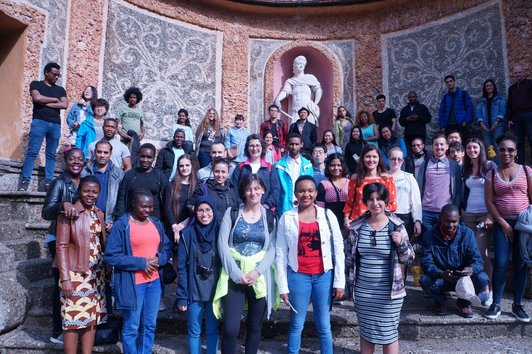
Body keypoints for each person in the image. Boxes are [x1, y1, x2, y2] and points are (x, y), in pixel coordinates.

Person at [276, 175, 345, 354]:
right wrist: (282, 286)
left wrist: (339, 282)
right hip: (298, 276)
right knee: (296, 324)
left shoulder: (327, 215)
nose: (306, 194)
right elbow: (281, 254)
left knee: (324, 325)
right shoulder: (287, 217)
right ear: (295, 194)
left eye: (310, 190)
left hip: (323, 276)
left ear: (315, 193)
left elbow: (338, 249)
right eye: (301, 191)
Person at [346, 182, 414, 354]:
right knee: (366, 333)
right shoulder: (357, 227)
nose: (375, 203)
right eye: (370, 199)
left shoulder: (397, 226)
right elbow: (349, 259)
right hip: (364, 292)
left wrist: (401, 243)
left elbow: (408, 258)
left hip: (389, 293)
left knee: (389, 334)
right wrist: (349, 287)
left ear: (386, 201)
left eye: (379, 199)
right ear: (365, 202)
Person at [215, 174, 278, 354]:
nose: (253, 192)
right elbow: (223, 245)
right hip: (235, 276)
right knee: (230, 328)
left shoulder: (270, 216)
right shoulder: (232, 213)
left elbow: (272, 248)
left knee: (255, 326)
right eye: (249, 188)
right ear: (243, 191)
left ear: (263, 190)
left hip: (259, 276)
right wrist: (236, 274)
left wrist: (257, 272)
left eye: (257, 188)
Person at [104, 190, 172, 353]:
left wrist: (160, 258)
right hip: (133, 283)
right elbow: (110, 256)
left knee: (150, 325)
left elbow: (167, 247)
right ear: (133, 204)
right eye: (143, 206)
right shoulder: (122, 224)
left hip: (154, 283)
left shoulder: (155, 223)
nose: (148, 210)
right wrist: (141, 263)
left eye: (150, 207)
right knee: (131, 326)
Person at [56, 176, 107, 354]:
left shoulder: (99, 213)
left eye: (94, 192)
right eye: (86, 191)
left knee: (92, 318)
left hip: (96, 275)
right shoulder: (69, 213)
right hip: (75, 273)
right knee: (72, 319)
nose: (90, 195)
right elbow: (61, 246)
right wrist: (66, 279)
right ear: (79, 191)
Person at [484, 133, 531, 322]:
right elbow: (489, 201)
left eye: (510, 149)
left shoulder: (526, 171)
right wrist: (503, 223)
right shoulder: (492, 173)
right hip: (501, 222)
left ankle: (517, 305)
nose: (506, 153)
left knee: (521, 264)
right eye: (502, 149)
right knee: (502, 263)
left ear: (516, 151)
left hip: (523, 224)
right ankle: (496, 303)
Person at [42, 147, 84, 344]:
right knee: (61, 283)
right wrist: (62, 205)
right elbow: (46, 211)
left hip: (76, 239)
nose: (76, 162)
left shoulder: (84, 181)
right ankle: (57, 330)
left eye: (80, 159)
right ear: (66, 161)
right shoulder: (60, 183)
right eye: (72, 159)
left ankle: (74, 325)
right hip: (57, 238)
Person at [420, 204, 490, 318]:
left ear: (459, 219)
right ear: (440, 218)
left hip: (464, 280)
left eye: (454, 221)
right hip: (442, 278)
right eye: (447, 221)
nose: (451, 225)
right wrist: (440, 273)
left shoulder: (467, 234)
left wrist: (471, 269)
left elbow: (478, 261)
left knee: (483, 279)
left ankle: (463, 303)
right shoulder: (429, 235)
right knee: (425, 280)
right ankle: (441, 302)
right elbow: (426, 262)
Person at [177, 196, 220, 354]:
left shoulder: (220, 232)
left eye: (208, 210)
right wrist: (182, 295)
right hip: (194, 291)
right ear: (195, 212)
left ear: (214, 211)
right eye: (200, 210)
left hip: (214, 291)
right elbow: (181, 267)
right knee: (194, 330)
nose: (204, 214)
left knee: (212, 329)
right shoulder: (187, 234)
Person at [20, 62, 68, 191]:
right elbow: (37, 98)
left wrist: (44, 101)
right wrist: (54, 100)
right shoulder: (36, 84)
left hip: (55, 124)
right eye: (54, 74)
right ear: (46, 72)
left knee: (51, 154)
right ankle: (24, 182)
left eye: (58, 75)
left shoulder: (60, 89)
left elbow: (64, 105)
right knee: (32, 152)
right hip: (39, 122)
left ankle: (48, 183)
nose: (56, 77)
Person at [461, 138, 496, 305]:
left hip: (484, 215)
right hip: (468, 214)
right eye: (468, 148)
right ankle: (474, 288)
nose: (471, 150)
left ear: (480, 148)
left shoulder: (489, 166)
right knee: (469, 252)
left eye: (474, 147)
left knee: (480, 253)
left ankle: (488, 289)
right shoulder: (466, 168)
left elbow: (497, 191)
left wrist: (491, 214)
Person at [387, 147, 423, 285]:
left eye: (399, 159)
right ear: (389, 160)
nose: (396, 161)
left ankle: (401, 282)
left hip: (405, 218)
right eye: (393, 158)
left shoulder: (409, 177)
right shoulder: (384, 176)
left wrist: (417, 221)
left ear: (402, 160)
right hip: (388, 217)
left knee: (403, 251)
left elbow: (416, 201)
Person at [343, 145, 397, 226]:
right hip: (358, 222)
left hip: (381, 223)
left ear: (379, 159)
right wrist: (346, 218)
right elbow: (349, 202)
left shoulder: (387, 178)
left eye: (374, 157)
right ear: (362, 159)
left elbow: (392, 203)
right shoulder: (355, 178)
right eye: (368, 156)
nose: (371, 160)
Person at [416, 134, 462, 229]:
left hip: (446, 213)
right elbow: (419, 188)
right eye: (436, 145)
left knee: (444, 242)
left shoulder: (453, 165)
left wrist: (455, 208)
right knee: (428, 241)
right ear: (432, 147)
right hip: (426, 212)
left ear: (447, 146)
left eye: (442, 144)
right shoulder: (425, 164)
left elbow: (458, 189)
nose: (439, 147)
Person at [113, 143, 169, 221]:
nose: (145, 160)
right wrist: (119, 219)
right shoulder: (129, 175)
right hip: (132, 219)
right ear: (138, 156)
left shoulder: (159, 176)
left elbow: (167, 201)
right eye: (142, 156)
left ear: (153, 158)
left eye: (149, 157)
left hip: (153, 219)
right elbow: (121, 199)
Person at [81, 140, 124, 231]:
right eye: (99, 152)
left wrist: (114, 220)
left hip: (108, 222)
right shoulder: (85, 172)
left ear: (110, 154)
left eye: (105, 152)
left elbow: (121, 199)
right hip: (86, 219)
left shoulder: (118, 174)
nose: (102, 155)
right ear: (94, 153)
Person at [230, 134, 280, 212]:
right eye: (251, 146)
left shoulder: (269, 167)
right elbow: (233, 187)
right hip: (243, 211)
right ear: (247, 148)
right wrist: (240, 204)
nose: (254, 148)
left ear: (262, 147)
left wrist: (267, 205)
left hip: (265, 210)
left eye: (257, 145)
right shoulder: (240, 167)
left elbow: (276, 189)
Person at [188, 158, 239, 225]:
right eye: (217, 171)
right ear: (212, 171)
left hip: (227, 230)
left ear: (228, 173)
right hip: (208, 230)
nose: (220, 175)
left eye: (223, 172)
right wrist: (202, 213)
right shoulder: (203, 189)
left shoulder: (232, 190)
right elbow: (190, 205)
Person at [274, 55, 322, 126]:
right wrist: (278, 99)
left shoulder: (310, 78)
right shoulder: (290, 81)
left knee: (308, 130)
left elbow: (318, 89)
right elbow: (285, 91)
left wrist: (315, 104)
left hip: (308, 107)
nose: (301, 65)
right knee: (295, 131)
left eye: (302, 64)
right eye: (299, 63)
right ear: (294, 66)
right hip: (295, 109)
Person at [275, 133, 314, 216]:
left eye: (297, 144)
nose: (294, 147)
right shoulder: (278, 166)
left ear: (301, 145)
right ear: (287, 145)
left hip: (303, 206)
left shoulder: (307, 166)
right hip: (284, 207)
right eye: (291, 144)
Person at [163, 154, 197, 243]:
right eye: (181, 166)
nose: (184, 168)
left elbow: (197, 208)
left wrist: (183, 225)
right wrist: (175, 227)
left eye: (187, 165)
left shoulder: (198, 186)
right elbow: (167, 208)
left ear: (192, 166)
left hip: (190, 225)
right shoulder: (171, 185)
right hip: (172, 226)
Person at [316, 153, 350, 230]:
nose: (336, 168)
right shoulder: (323, 185)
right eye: (332, 165)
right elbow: (320, 210)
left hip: (349, 225)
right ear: (328, 167)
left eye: (339, 165)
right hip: (329, 226)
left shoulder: (350, 183)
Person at [506, 64, 532, 164]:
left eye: (519, 72)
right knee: (519, 143)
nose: (517, 74)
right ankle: (521, 166)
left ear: (524, 72)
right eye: (515, 73)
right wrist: (509, 119)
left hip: (529, 115)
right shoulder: (511, 88)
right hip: (516, 117)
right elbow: (510, 104)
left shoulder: (530, 83)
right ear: (513, 74)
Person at [476, 79, 506, 158]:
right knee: (488, 147)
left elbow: (502, 111)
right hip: (485, 126)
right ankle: (491, 168)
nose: (489, 87)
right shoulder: (482, 101)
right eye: (487, 86)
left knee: (497, 145)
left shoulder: (500, 99)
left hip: (498, 126)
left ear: (494, 87)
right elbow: (478, 113)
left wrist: (496, 122)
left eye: (490, 85)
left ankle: (499, 166)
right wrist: (481, 124)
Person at [438, 75, 474, 140]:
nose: (449, 83)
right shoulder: (445, 97)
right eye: (447, 82)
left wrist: (466, 121)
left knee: (463, 144)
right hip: (448, 126)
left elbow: (470, 109)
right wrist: (442, 126)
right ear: (445, 84)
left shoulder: (464, 94)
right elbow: (441, 113)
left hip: (461, 124)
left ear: (454, 82)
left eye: (451, 81)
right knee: (450, 145)